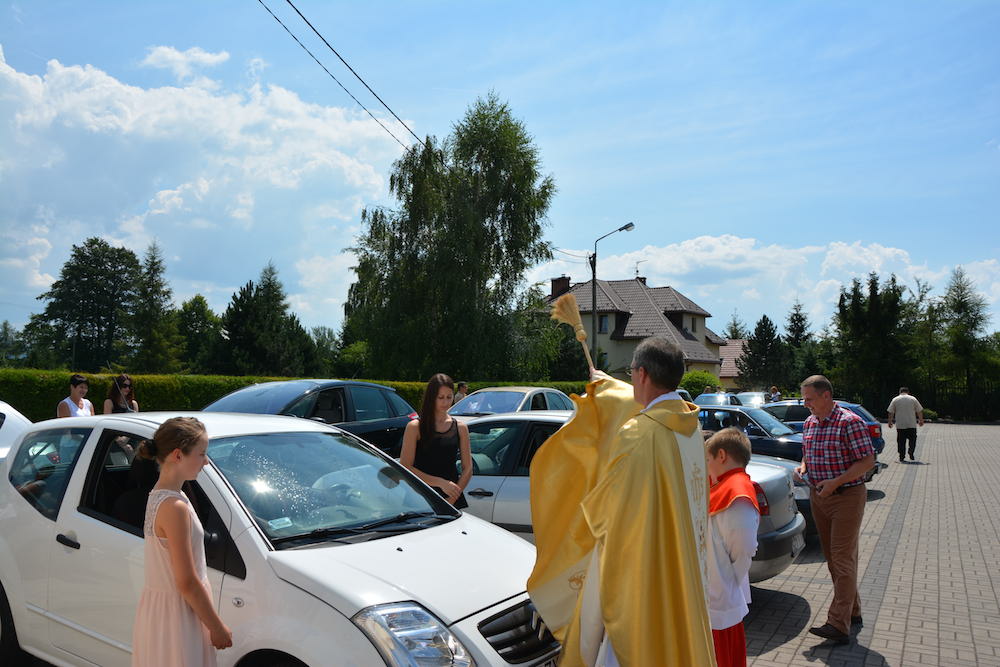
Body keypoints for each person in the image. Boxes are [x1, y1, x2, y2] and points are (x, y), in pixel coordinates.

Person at [529, 336, 714, 665]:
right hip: (682, 573)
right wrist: (607, 385)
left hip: (644, 580)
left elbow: (607, 516)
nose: (631, 380)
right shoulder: (689, 429)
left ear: (642, 374)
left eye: (631, 373)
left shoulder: (639, 434)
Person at [132, 417, 232, 665]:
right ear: (178, 455)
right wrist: (216, 627)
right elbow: (186, 581)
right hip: (179, 616)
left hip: (164, 612)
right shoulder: (174, 506)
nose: (206, 461)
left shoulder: (160, 497)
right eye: (202, 454)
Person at [795, 375, 874, 645]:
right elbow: (808, 452)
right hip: (819, 497)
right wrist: (803, 467)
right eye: (804, 399)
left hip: (846, 497)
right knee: (834, 559)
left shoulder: (849, 422)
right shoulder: (810, 422)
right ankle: (853, 610)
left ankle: (838, 624)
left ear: (826, 395)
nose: (806, 404)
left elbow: (867, 461)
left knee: (841, 559)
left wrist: (836, 483)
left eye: (809, 398)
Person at [705, 428, 760, 667]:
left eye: (708, 459)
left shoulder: (738, 494)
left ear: (722, 455)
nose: (706, 466)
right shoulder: (725, 484)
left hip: (720, 595)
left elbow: (743, 551)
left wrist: (727, 581)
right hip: (717, 591)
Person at [400, 373, 472, 509]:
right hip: (419, 497)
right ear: (431, 397)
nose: (445, 402)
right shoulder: (415, 427)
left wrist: (452, 499)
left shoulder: (461, 427)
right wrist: (440, 483)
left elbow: (468, 468)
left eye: (449, 397)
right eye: (440, 397)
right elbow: (405, 466)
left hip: (451, 499)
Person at [887, 387, 924, 462]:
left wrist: (890, 422)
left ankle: (902, 456)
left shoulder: (895, 399)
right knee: (912, 440)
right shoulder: (913, 399)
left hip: (900, 425)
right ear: (908, 392)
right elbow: (919, 410)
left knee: (901, 441)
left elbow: (891, 412)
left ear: (900, 392)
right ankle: (911, 452)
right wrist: (921, 420)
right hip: (911, 424)